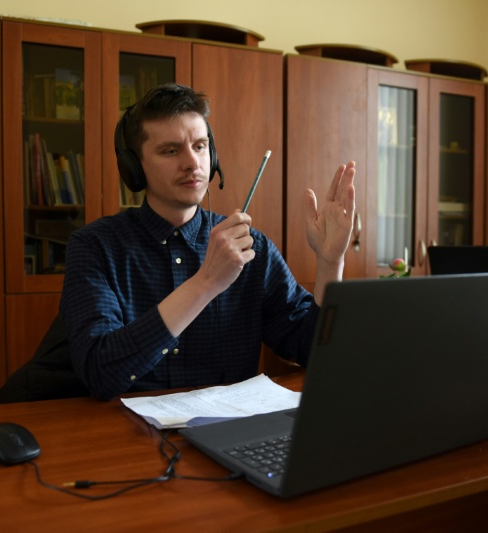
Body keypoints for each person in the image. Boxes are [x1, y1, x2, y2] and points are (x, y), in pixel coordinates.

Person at [59, 83, 355, 401]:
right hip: (131, 437)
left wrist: (329, 263)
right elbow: (100, 373)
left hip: (228, 436)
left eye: (200, 147)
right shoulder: (94, 247)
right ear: (134, 168)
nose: (192, 163)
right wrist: (206, 282)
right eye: (171, 150)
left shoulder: (251, 247)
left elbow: (312, 351)